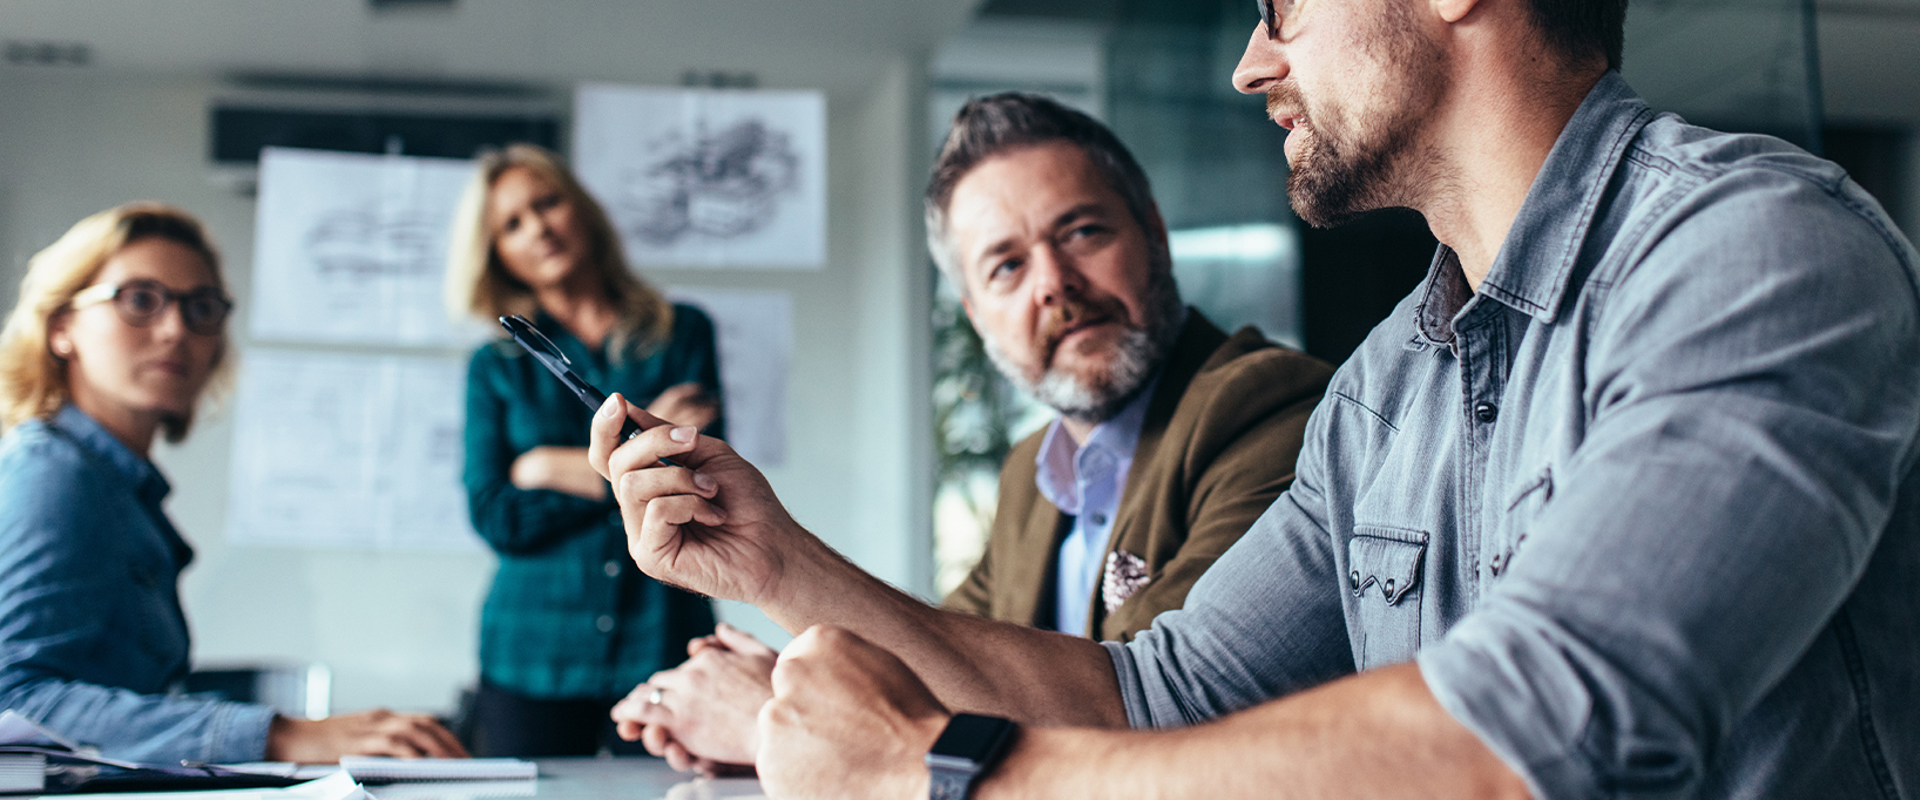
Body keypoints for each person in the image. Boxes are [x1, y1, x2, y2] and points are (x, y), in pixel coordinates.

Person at [589, 0, 1920, 794]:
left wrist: (941, 773)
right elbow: (1148, 696)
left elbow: (1537, 739)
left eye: (1283, 1)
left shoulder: (1756, 251)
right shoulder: (1392, 384)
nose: (1250, 62)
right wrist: (773, 559)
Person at [607, 94, 1336, 772]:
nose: (1053, 283)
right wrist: (786, 650)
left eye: (1081, 232)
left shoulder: (1270, 408)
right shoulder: (1033, 472)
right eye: (1007, 266)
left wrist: (777, 719)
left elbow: (1148, 718)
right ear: (975, 312)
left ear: (1153, 231)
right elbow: (944, 663)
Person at [0, 203, 466, 764]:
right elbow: (13, 703)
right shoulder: (53, 474)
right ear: (62, 327)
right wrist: (281, 734)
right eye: (139, 300)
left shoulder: (118, 486)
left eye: (200, 308)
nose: (176, 330)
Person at [446, 144, 724, 757]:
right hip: (531, 653)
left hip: (661, 639)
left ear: (582, 210)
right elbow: (496, 514)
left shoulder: (684, 333)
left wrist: (544, 468)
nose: (538, 227)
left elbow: (699, 481)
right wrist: (634, 465)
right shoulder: (495, 368)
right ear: (497, 254)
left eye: (547, 203)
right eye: (512, 224)